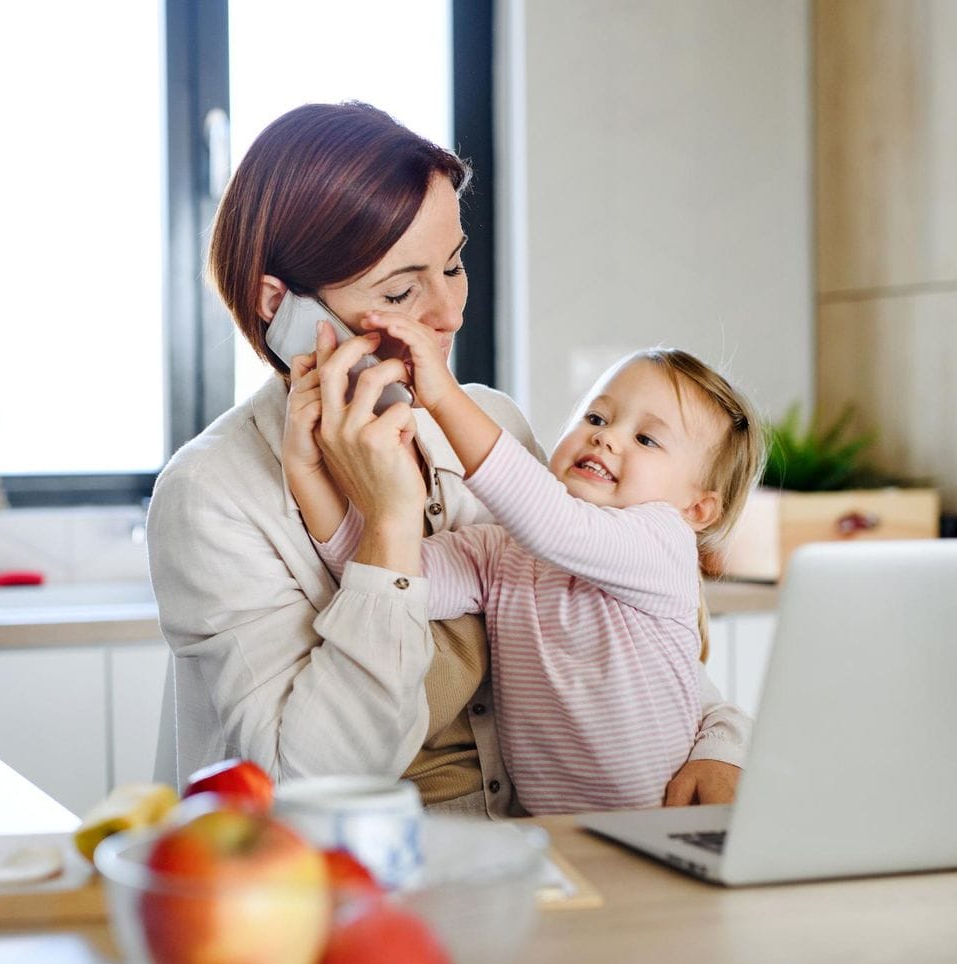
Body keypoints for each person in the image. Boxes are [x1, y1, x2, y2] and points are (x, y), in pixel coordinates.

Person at [147, 100, 752, 817]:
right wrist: (389, 525)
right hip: (359, 876)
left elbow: (619, 650)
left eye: (455, 264)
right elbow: (309, 787)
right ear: (284, 307)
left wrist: (724, 741)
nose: (449, 312)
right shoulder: (210, 496)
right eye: (402, 291)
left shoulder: (489, 424)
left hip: (543, 860)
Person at [286, 339, 763, 814]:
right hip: (558, 833)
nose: (606, 437)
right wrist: (307, 474)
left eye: (646, 439)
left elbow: (555, 524)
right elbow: (386, 575)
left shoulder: (663, 541)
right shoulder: (503, 550)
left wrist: (444, 397)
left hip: (660, 820)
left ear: (696, 508)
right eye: (596, 417)